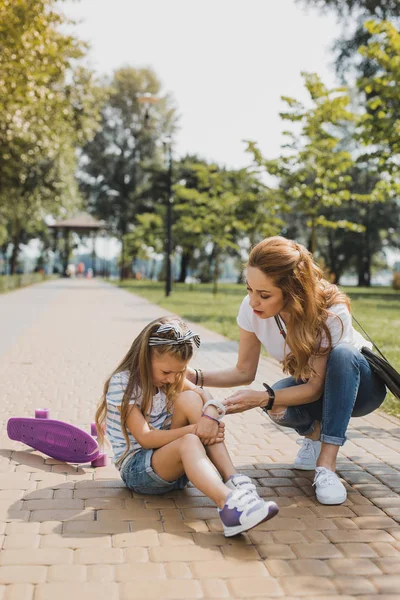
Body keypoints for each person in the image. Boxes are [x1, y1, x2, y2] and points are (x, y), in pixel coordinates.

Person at [187, 237, 387, 505]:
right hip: (314, 387)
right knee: (277, 404)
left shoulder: (331, 311)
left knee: (341, 355)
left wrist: (262, 397)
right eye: (249, 290)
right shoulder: (250, 309)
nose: (253, 301)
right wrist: (195, 376)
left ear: (292, 291)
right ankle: (313, 436)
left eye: (264, 295)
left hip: (361, 389)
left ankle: (327, 465)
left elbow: (316, 387)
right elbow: (244, 372)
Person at [95, 316, 279, 537]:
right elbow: (145, 438)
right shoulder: (123, 383)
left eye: (179, 373)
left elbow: (205, 395)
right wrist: (196, 429)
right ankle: (228, 506)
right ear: (146, 358)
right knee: (190, 439)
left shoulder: (171, 374)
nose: (173, 379)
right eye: (166, 373)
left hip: (178, 467)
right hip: (138, 471)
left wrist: (209, 418)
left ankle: (233, 480)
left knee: (191, 399)